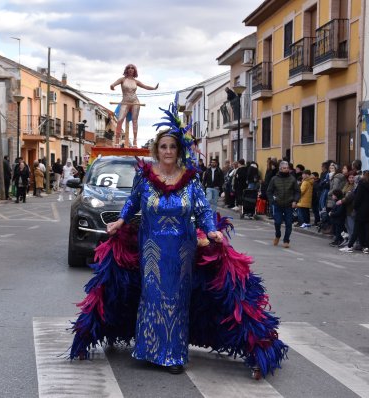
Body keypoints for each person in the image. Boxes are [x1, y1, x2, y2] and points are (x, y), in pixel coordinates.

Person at [70, 103, 287, 379]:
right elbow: (133, 203)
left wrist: (210, 231)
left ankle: (173, 354)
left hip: (182, 249)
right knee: (152, 296)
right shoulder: (145, 178)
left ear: (179, 150)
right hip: (151, 246)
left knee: (175, 298)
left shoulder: (191, 181)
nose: (168, 152)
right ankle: (148, 350)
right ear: (156, 150)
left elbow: (202, 210)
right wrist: (121, 221)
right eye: (163, 147)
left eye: (173, 147)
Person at [110, 64, 159, 146]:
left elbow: (145, 86)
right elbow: (114, 84)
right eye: (128, 68)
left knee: (135, 121)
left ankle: (135, 141)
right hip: (125, 101)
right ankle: (117, 141)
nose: (130, 69)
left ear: (134, 70)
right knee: (120, 120)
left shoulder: (136, 81)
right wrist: (112, 86)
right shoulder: (122, 79)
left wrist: (154, 88)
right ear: (126, 70)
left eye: (132, 68)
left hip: (135, 101)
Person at [340, 171, 369, 254]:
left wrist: (355, 207)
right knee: (368, 229)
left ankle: (350, 246)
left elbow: (358, 198)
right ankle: (366, 247)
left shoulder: (362, 185)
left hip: (361, 209)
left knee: (356, 229)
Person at [267, 161, 300, 248]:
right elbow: (269, 191)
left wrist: (295, 201)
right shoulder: (274, 179)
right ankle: (278, 235)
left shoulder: (292, 179)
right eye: (284, 168)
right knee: (277, 222)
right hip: (277, 204)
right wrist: (272, 201)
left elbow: (297, 191)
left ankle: (286, 240)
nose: (286, 170)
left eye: (287, 168)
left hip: (289, 205)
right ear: (280, 169)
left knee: (289, 224)